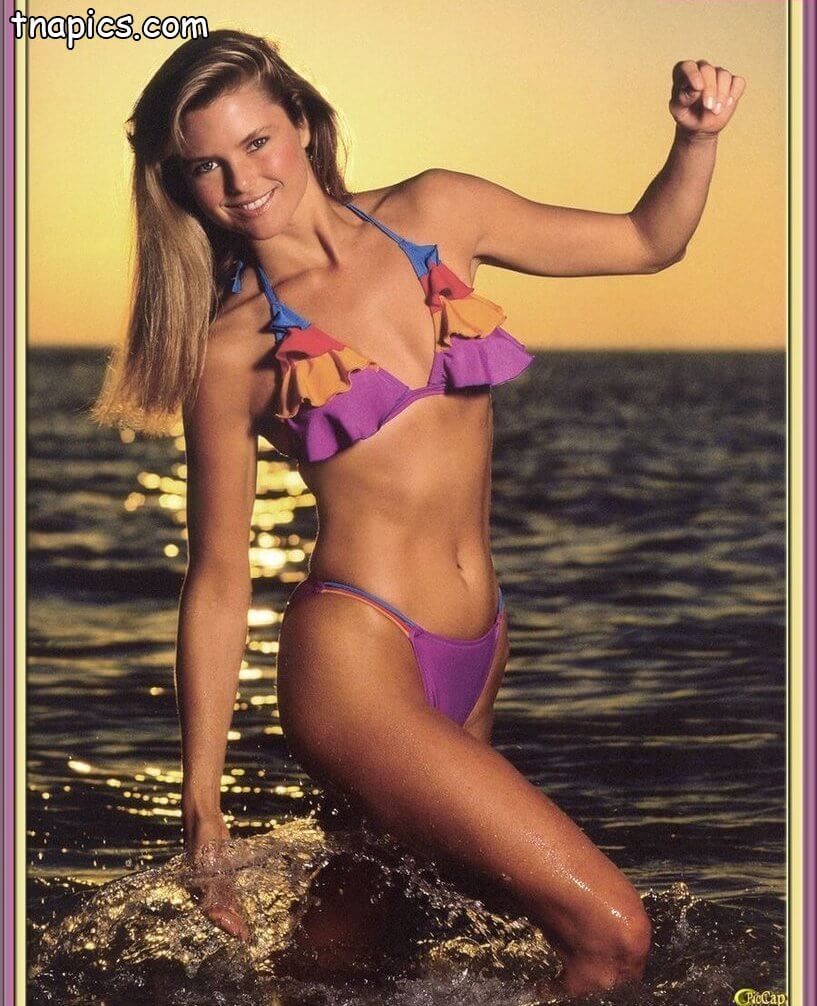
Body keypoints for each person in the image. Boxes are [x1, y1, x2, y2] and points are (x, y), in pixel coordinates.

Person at [91, 28, 745, 998]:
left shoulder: (440, 211)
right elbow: (220, 578)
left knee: (349, 963)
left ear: (302, 123)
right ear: (182, 185)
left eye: (257, 143)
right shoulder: (231, 351)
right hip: (356, 663)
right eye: (206, 166)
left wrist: (695, 138)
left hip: (475, 646)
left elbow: (647, 241)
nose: (242, 181)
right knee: (611, 935)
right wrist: (202, 800)